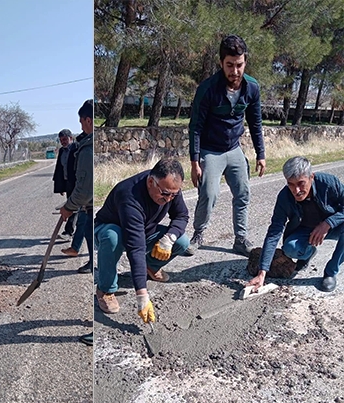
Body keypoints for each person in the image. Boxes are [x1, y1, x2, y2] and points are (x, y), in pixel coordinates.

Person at [184, 34, 266, 258]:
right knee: (209, 194)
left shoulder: (252, 88)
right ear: (221, 63)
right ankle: (198, 235)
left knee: (243, 193)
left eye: (239, 65)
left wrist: (261, 153)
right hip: (211, 150)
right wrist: (195, 161)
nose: (235, 71)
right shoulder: (207, 88)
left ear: (245, 61)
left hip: (234, 148)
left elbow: (255, 122)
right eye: (229, 65)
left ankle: (240, 239)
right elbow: (196, 127)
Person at [92, 158, 190, 335]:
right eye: (165, 194)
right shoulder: (129, 195)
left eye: (173, 195)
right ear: (151, 182)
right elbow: (135, 248)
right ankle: (105, 289)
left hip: (144, 231)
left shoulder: (171, 188)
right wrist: (142, 296)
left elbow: (182, 216)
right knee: (112, 237)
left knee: (182, 241)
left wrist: (169, 238)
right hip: (109, 229)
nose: (168, 199)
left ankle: (150, 267)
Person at [248, 156, 344, 293]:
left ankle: (331, 272)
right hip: (306, 231)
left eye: (301, 183)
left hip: (333, 227)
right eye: (291, 184)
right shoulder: (284, 197)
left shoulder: (328, 183)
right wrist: (262, 272)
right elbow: (274, 231)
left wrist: (328, 223)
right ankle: (307, 254)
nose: (296, 190)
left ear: (311, 177)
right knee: (290, 248)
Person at [57, 100, 93, 345]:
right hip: (88, 206)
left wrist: (69, 207)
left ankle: (95, 327)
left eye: (82, 121)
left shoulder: (89, 148)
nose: (81, 125)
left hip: (91, 206)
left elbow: (86, 186)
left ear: (88, 120)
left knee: (99, 252)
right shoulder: (85, 143)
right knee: (90, 240)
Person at [52, 129, 79, 240]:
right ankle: (72, 232)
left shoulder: (77, 148)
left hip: (77, 183)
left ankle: (69, 232)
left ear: (71, 138)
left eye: (65, 139)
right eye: (61, 140)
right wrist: (61, 186)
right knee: (72, 207)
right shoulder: (62, 151)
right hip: (68, 183)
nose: (63, 142)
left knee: (73, 207)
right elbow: (59, 169)